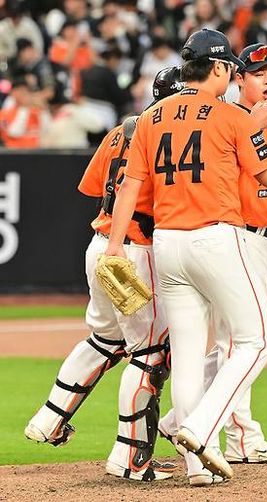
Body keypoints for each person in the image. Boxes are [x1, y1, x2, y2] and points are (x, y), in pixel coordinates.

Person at [104, 29, 267, 485]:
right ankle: (202, 429)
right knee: (256, 341)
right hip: (215, 237)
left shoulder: (151, 116)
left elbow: (130, 186)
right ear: (220, 68)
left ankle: (199, 466)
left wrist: (115, 245)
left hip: (167, 243)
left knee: (186, 356)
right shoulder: (229, 115)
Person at [24, 67, 185, 482]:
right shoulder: (170, 133)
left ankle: (49, 419)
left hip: (101, 244)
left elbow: (93, 186)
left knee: (104, 339)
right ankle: (130, 458)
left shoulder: (122, 130)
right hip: (137, 249)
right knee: (150, 354)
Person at [158, 42, 267, 465]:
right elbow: (264, 176)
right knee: (242, 342)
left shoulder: (253, 120)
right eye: (258, 73)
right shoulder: (232, 118)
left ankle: (179, 420)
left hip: (256, 237)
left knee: (228, 344)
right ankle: (239, 437)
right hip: (236, 236)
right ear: (236, 77)